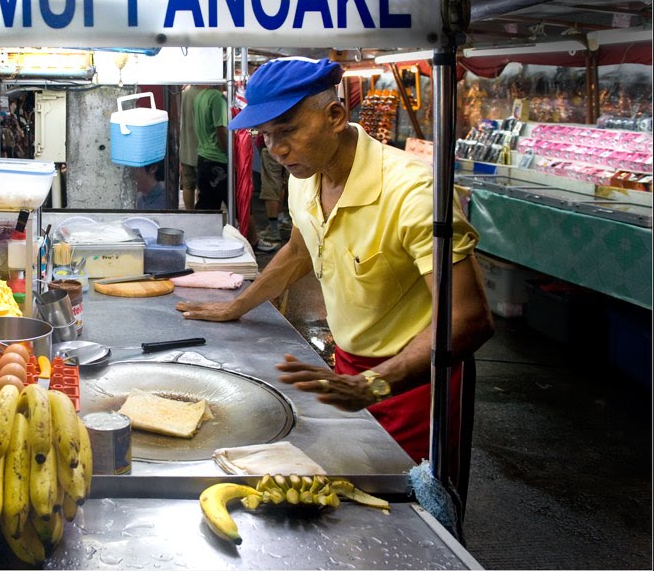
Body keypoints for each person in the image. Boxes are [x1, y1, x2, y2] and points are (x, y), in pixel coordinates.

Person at [176, 57, 495, 466]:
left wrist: (374, 384)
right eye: (266, 136)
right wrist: (238, 305)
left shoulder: (413, 193)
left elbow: (468, 320)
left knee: (411, 504)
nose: (276, 151)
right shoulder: (303, 177)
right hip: (349, 369)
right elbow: (299, 250)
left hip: (417, 382)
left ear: (335, 115)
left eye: (287, 130)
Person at [192, 84, 230, 212]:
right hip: (218, 160)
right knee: (240, 208)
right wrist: (231, 155)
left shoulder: (200, 96)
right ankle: (250, 233)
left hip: (203, 157)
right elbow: (221, 129)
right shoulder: (218, 98)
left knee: (207, 208)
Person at [252, 129, 290, 252]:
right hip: (291, 143)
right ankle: (280, 220)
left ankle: (274, 230)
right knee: (282, 183)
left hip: (273, 143)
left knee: (271, 184)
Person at [178, 85, 200, 209]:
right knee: (203, 186)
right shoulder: (206, 96)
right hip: (202, 148)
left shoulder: (184, 95)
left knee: (188, 185)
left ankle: (190, 212)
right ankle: (201, 214)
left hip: (186, 147)